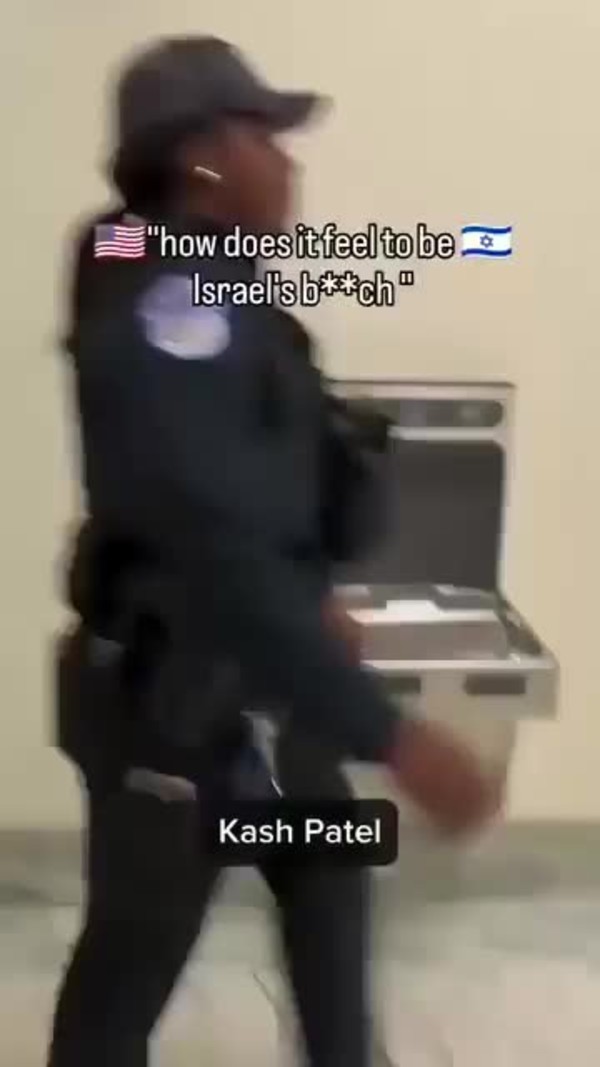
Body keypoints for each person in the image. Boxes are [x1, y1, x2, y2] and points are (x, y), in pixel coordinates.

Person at [47, 36, 501, 1067]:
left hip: (268, 713)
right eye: (265, 136)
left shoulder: (219, 293)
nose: (289, 163)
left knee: (331, 870)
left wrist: (312, 591)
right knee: (127, 974)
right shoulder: (171, 302)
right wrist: (396, 737)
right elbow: (209, 542)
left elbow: (254, 505)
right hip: (175, 737)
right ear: (201, 157)